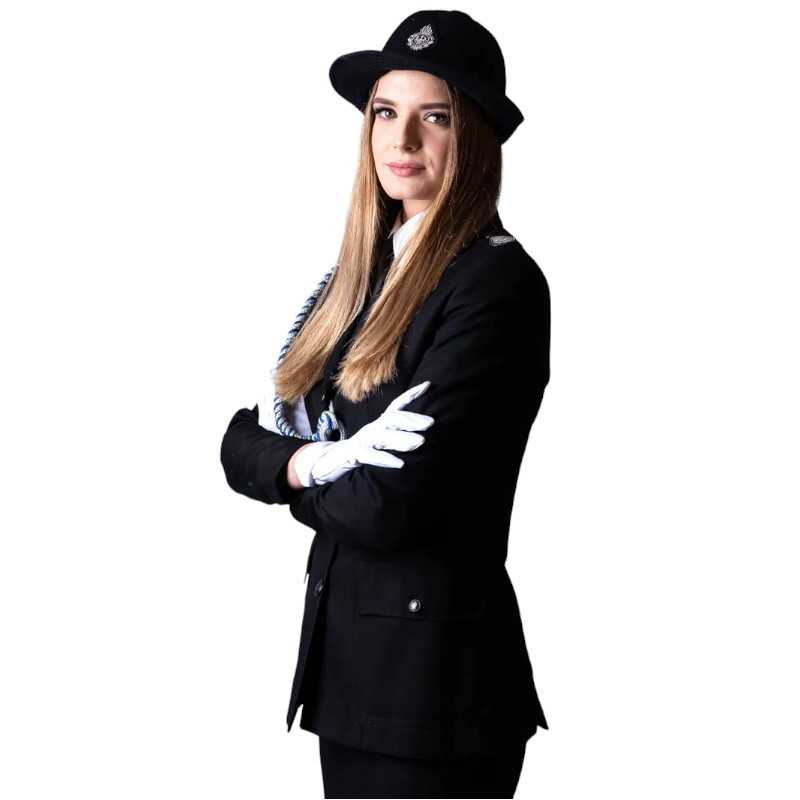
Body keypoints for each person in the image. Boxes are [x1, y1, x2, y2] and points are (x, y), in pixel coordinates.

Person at [220, 10, 551, 798]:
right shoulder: (360, 279)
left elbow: (387, 506)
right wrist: (317, 461)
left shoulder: (494, 285)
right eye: (384, 112)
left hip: (435, 695)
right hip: (353, 677)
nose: (401, 140)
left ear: (473, 137)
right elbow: (243, 440)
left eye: (434, 117)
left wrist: (294, 475)